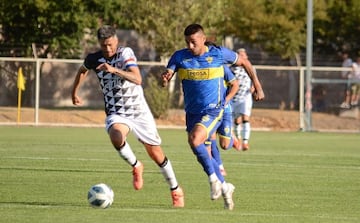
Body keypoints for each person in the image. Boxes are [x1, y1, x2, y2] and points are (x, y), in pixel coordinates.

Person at [71, 25, 184, 208]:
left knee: (156, 154)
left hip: (139, 112)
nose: (107, 49)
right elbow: (82, 70)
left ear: (116, 40)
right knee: (116, 135)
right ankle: (136, 165)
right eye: (103, 45)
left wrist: (114, 70)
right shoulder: (94, 58)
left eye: (110, 44)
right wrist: (74, 92)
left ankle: (175, 189)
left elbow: (138, 79)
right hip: (117, 113)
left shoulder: (125, 53)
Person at [161, 23, 264, 210]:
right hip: (193, 113)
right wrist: (165, 76)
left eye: (193, 42)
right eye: (187, 43)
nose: (190, 46)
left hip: (215, 110)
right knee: (201, 150)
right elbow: (169, 71)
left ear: (202, 38)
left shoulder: (218, 54)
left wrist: (257, 85)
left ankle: (214, 180)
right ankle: (225, 186)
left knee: (198, 140)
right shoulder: (180, 56)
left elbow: (245, 63)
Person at [231, 48, 256, 151]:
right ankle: (238, 140)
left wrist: (253, 88)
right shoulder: (231, 68)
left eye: (243, 54)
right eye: (239, 55)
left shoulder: (250, 67)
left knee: (246, 118)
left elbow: (254, 79)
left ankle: (245, 142)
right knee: (237, 120)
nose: (241, 56)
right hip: (234, 97)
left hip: (246, 96)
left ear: (246, 56)